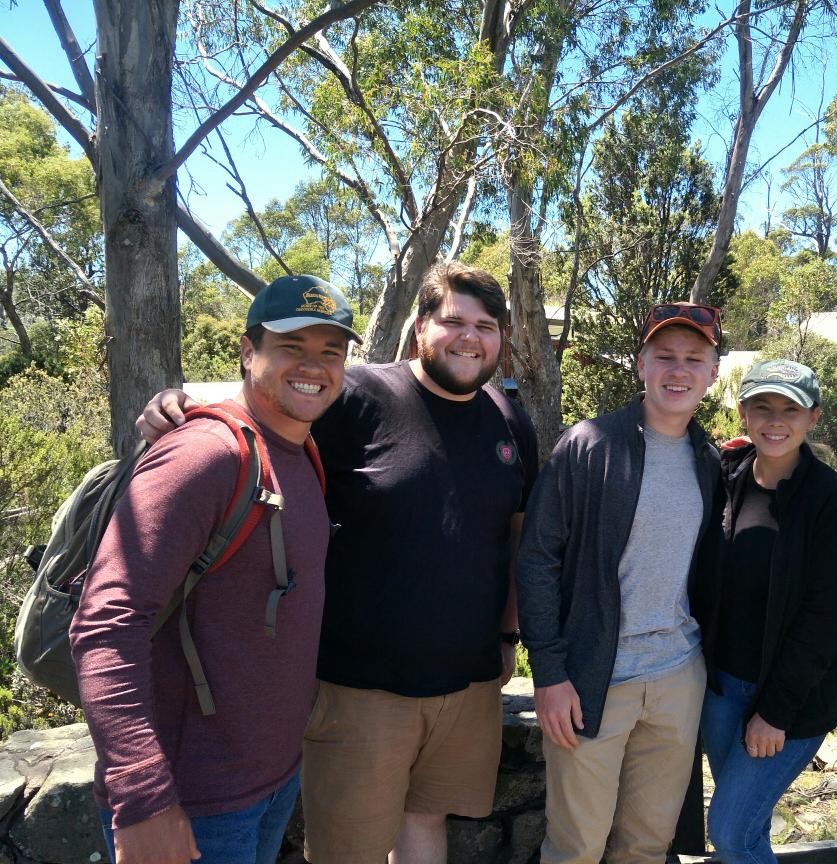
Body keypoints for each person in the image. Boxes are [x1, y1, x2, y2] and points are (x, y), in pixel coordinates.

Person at [136, 262, 538, 864]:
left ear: (502, 340)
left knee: (426, 819)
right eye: (453, 320)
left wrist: (508, 635)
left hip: (469, 686)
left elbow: (514, 535)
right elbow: (271, 406)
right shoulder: (360, 395)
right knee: (347, 850)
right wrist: (183, 405)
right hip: (358, 689)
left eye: (486, 325)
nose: (469, 337)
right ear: (420, 327)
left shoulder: (509, 420)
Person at [71, 274, 355, 864]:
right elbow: (105, 624)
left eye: (331, 352)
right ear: (249, 353)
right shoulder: (206, 455)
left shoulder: (300, 451)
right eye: (292, 347)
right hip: (192, 800)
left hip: (270, 781)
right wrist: (142, 793)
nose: (314, 366)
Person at [516, 302, 723, 864]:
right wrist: (550, 672)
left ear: (713, 372)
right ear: (640, 365)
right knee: (576, 847)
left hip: (678, 677)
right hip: (590, 681)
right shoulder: (588, 446)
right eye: (664, 356)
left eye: (694, 358)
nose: (677, 370)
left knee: (647, 847)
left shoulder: (709, 461)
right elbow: (537, 559)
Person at [701, 360, 837, 864]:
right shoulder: (726, 476)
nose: (775, 420)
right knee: (749, 827)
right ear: (743, 412)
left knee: (728, 831)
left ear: (812, 418)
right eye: (762, 407)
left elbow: (825, 620)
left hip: (789, 704)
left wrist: (774, 712)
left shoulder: (827, 500)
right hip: (721, 689)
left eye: (790, 409)